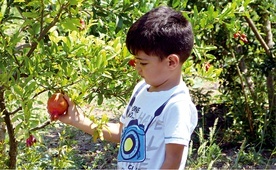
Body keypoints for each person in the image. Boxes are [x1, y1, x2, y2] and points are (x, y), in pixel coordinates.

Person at [58, 6, 198, 169]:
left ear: (171, 62)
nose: (137, 68)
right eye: (136, 61)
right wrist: (78, 119)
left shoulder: (177, 105)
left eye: (143, 63)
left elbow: (173, 160)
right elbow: (122, 133)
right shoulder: (141, 89)